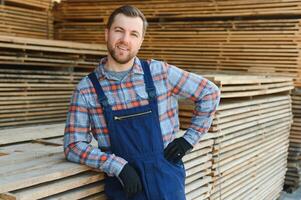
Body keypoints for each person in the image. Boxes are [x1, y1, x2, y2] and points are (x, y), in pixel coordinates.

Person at [64, 5, 220, 200]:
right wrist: (116, 166)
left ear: (141, 41)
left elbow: (210, 93)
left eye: (133, 34)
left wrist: (188, 140)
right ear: (107, 33)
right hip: (125, 186)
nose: (124, 40)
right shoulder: (86, 89)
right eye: (119, 31)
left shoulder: (160, 73)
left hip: (166, 179)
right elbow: (73, 145)